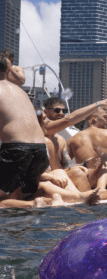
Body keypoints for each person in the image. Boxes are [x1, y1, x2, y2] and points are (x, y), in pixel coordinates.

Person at [0, 55, 49, 203]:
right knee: (20, 196)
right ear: (7, 70)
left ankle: (34, 205)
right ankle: (36, 204)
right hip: (40, 150)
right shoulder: (20, 91)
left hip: (17, 150)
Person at [67, 106, 107, 193]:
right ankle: (101, 189)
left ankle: (99, 190)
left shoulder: (73, 139)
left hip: (85, 181)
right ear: (94, 118)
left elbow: (65, 165)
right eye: (105, 117)